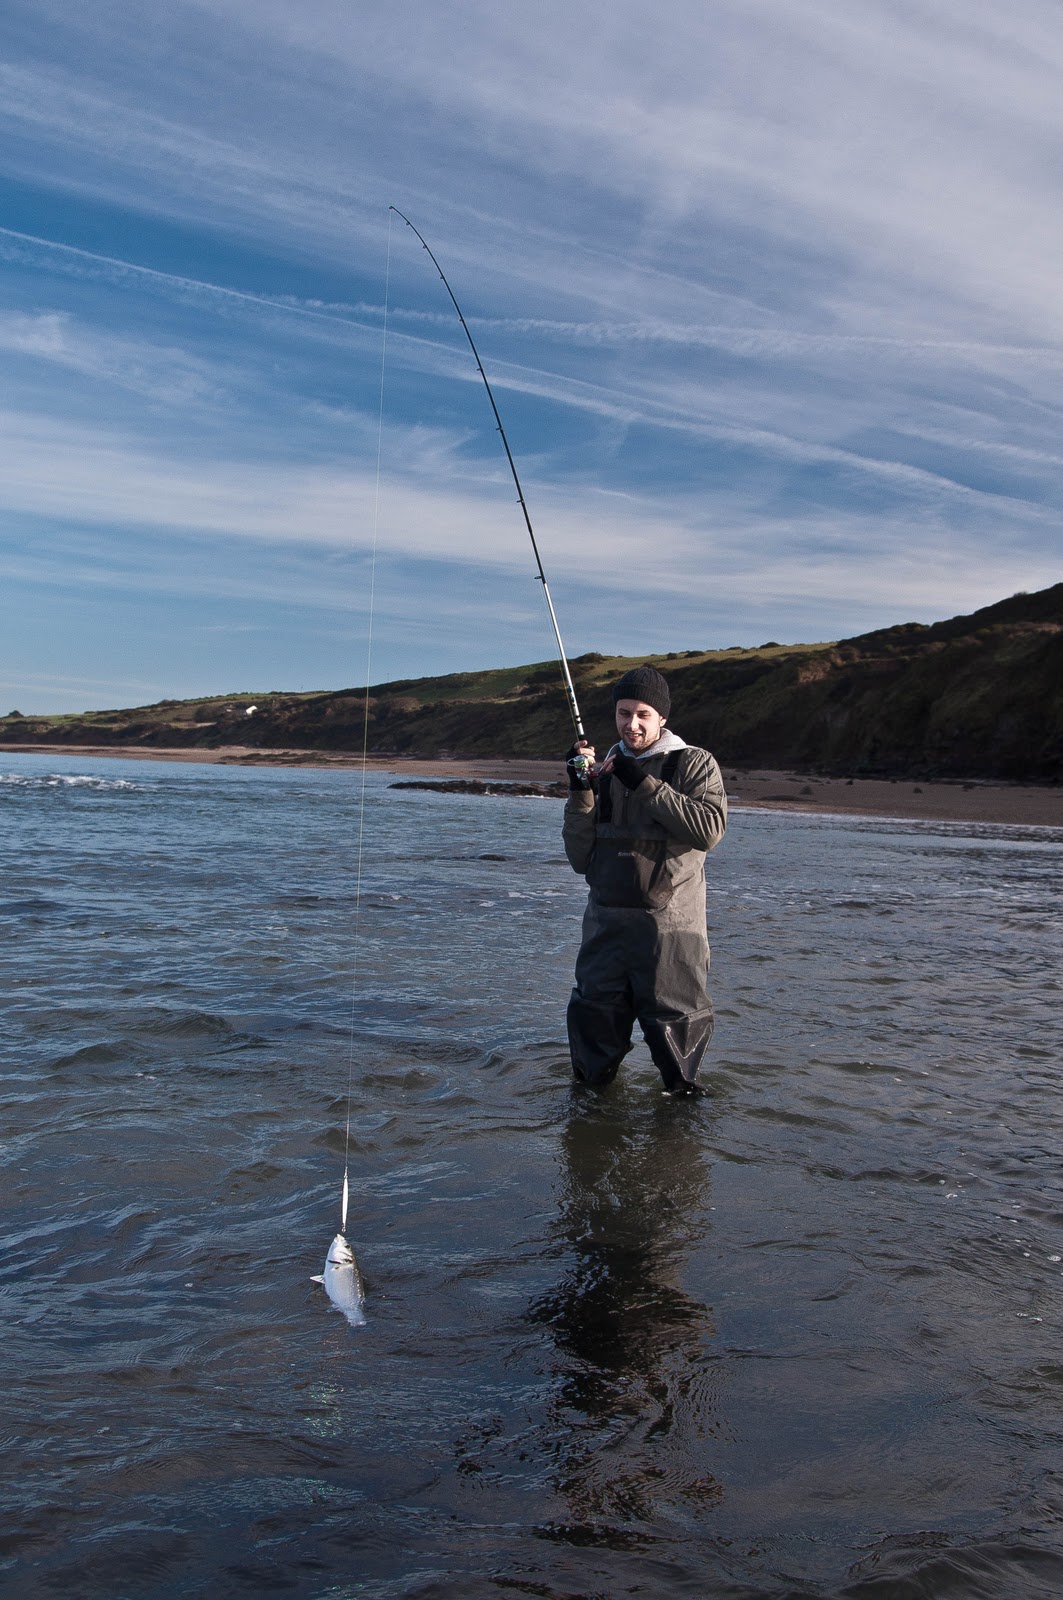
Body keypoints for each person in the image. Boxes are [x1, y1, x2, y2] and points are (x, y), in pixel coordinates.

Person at [563, 665, 727, 1096]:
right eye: (623, 713)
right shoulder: (604, 769)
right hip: (605, 932)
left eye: (642, 714)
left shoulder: (694, 762)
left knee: (680, 1067)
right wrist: (581, 788)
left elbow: (709, 830)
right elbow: (580, 859)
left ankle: (678, 1136)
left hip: (672, 935)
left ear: (662, 718)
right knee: (590, 1067)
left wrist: (645, 784)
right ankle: (588, 1132)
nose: (630, 724)